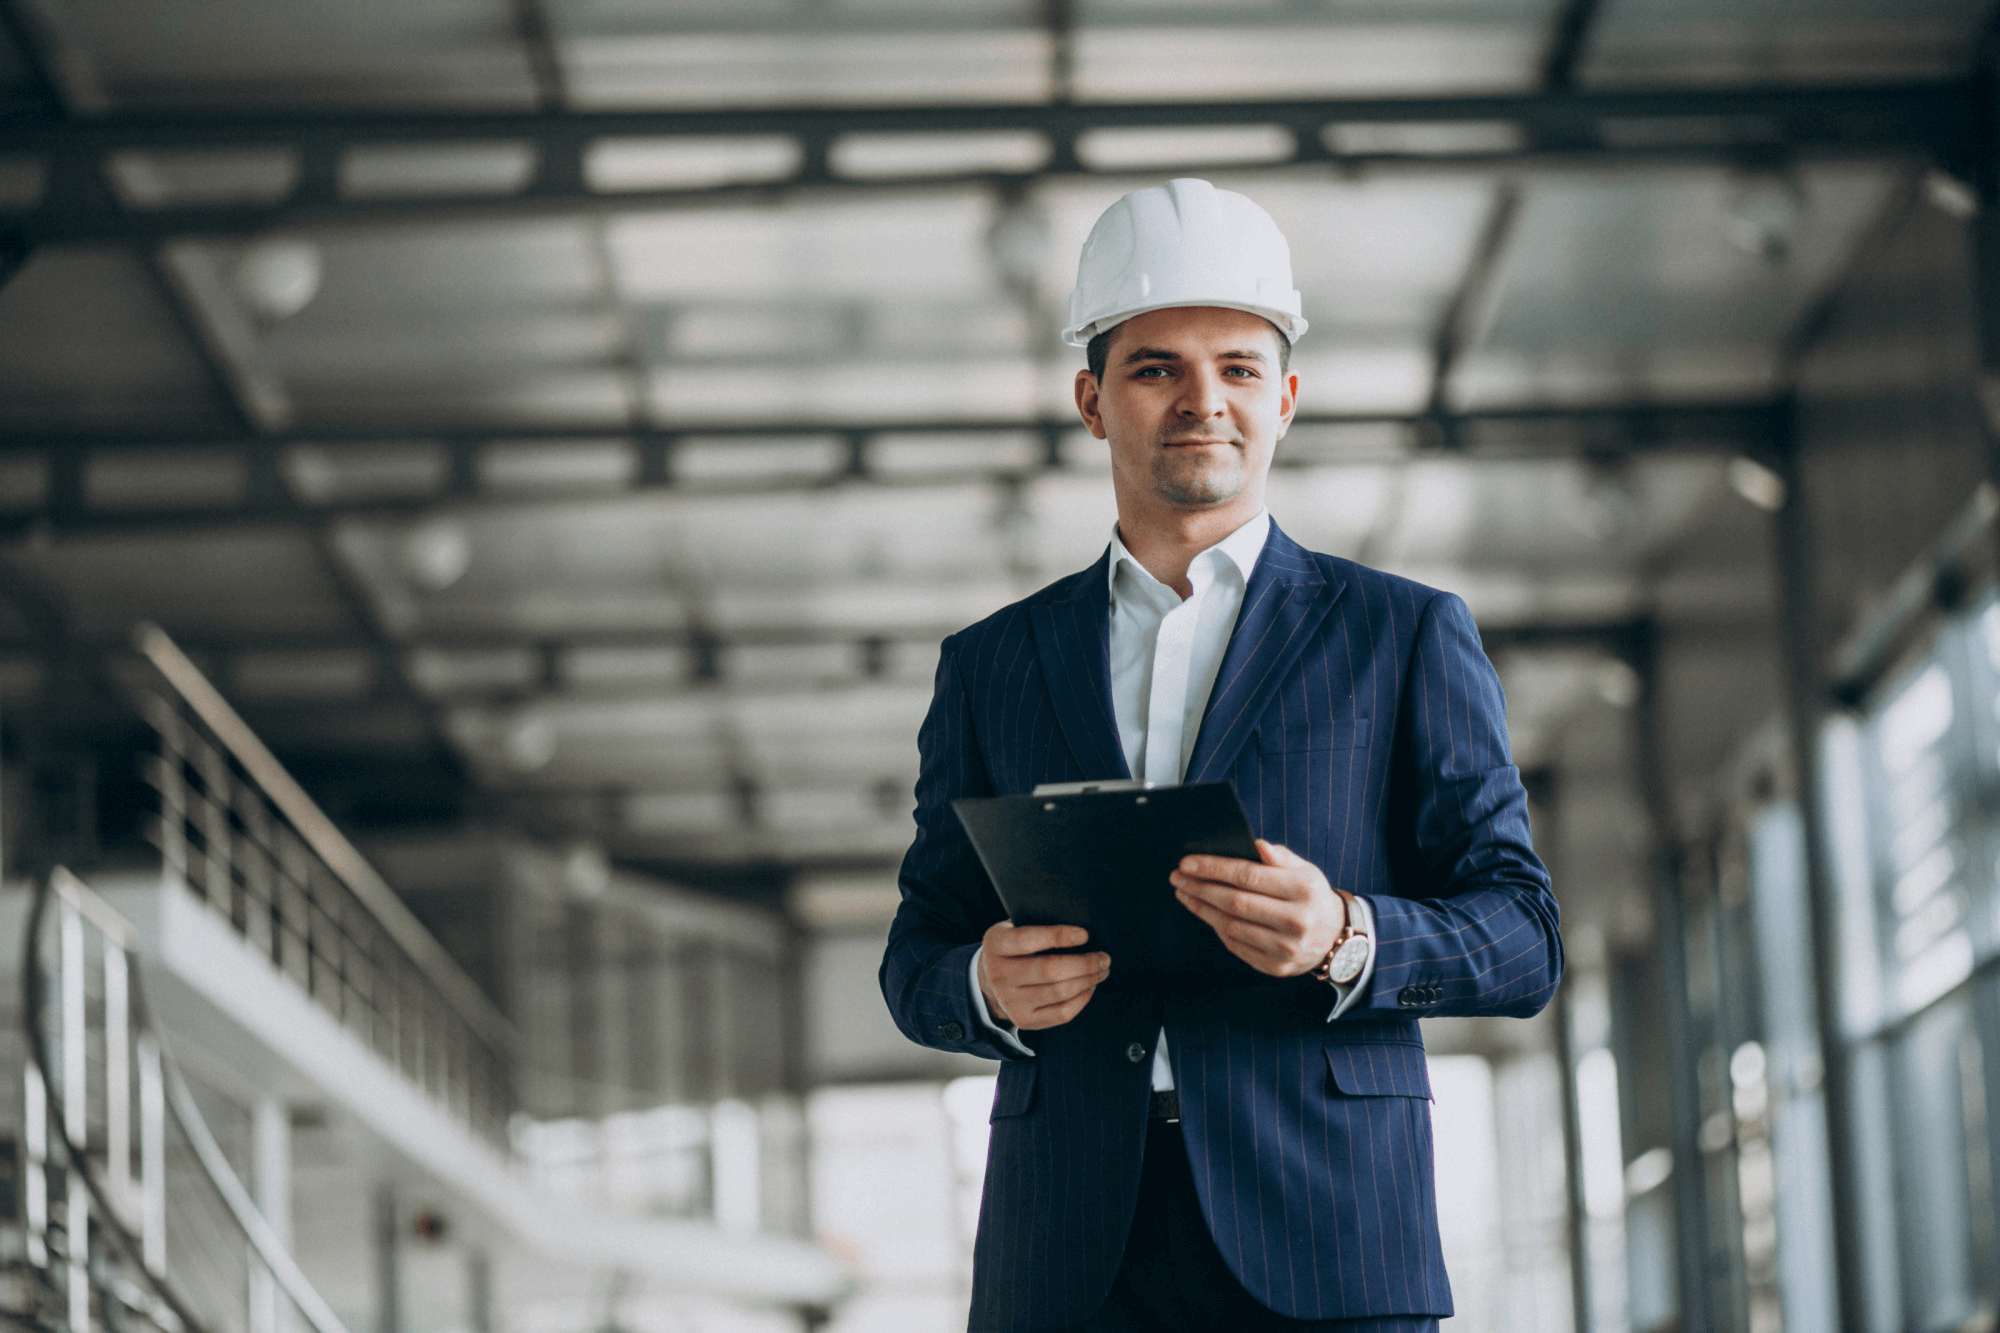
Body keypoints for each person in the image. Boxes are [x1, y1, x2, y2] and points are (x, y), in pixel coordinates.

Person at [880, 178, 1562, 1333]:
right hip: (1068, 1256)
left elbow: (1523, 935)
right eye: (1156, 368)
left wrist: (1346, 934)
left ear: (1284, 397)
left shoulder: (1399, 634)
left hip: (1328, 1233)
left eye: (1237, 367)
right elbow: (916, 951)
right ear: (1091, 401)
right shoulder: (991, 664)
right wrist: (981, 987)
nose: (1203, 400)